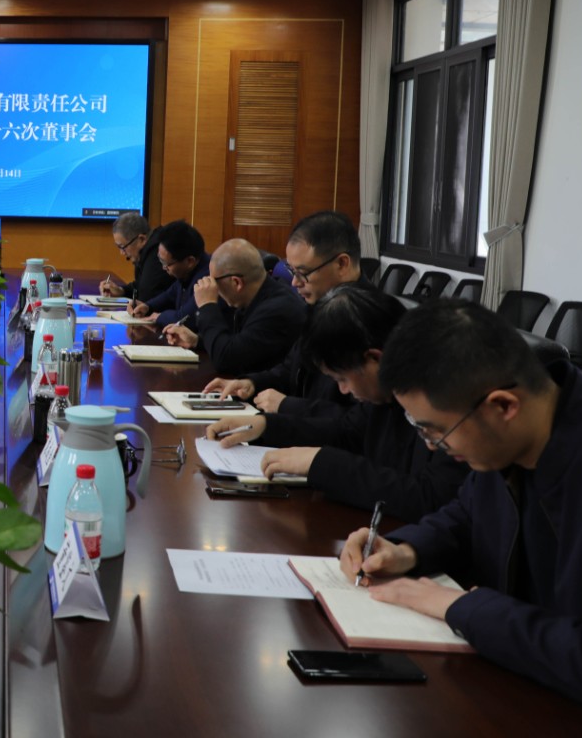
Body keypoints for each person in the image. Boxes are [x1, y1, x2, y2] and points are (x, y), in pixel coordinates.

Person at [339, 300, 582, 738]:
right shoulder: (511, 434)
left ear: (502, 405)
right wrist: (406, 550)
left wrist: (460, 607)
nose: (433, 447)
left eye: (435, 432)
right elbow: (466, 514)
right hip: (528, 694)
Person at [205, 285, 468, 521]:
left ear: (374, 359)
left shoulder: (448, 401)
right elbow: (346, 431)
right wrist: (266, 425)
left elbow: (429, 497)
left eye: (342, 378)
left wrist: (321, 463)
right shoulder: (386, 393)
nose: (343, 390)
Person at [205, 211, 365, 416]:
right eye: (292, 272)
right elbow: (291, 369)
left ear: (341, 264)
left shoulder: (369, 321)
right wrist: (251, 383)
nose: (294, 282)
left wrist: (287, 405)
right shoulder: (319, 306)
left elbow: (361, 420)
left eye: (303, 273)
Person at [164, 238, 304, 376]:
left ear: (236, 283)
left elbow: (226, 360)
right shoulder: (255, 296)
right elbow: (237, 344)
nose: (213, 288)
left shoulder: (276, 309)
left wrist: (207, 306)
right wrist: (197, 340)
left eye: (214, 281)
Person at [129, 220, 209, 325]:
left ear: (190, 261)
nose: (163, 267)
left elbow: (184, 318)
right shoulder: (187, 272)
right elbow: (171, 294)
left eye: (166, 263)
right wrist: (148, 306)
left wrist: (159, 317)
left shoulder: (207, 279)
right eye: (160, 260)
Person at [99, 213, 174, 301]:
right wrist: (122, 291)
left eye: (123, 247)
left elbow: (146, 296)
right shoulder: (146, 252)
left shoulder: (157, 255)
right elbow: (140, 286)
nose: (122, 253)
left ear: (141, 239)